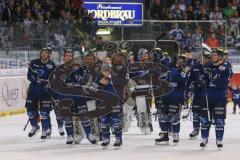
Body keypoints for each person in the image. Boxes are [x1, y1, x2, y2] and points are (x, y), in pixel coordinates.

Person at [155, 54, 190, 145]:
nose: (179, 61)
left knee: (174, 117)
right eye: (178, 59)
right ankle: (164, 135)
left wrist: (173, 73)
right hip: (165, 96)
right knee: (162, 116)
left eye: (181, 60)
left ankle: (175, 134)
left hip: (176, 96)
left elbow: (181, 81)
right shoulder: (170, 67)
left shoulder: (184, 70)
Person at [200, 49, 231, 149]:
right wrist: (202, 77)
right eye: (212, 55)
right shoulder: (207, 65)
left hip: (220, 98)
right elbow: (203, 78)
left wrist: (211, 77)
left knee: (219, 121)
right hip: (207, 97)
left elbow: (223, 83)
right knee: (205, 120)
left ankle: (219, 140)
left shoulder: (226, 67)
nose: (213, 57)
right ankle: (204, 138)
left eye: (215, 55)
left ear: (220, 57)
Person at [25, 47, 56, 139]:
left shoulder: (52, 65)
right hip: (33, 90)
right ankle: (35, 126)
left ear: (49, 54)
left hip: (45, 92)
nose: (43, 54)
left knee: (44, 113)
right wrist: (35, 79)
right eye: (42, 52)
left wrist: (46, 81)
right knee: (30, 111)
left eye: (46, 53)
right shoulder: (34, 62)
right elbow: (29, 75)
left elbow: (54, 79)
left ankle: (45, 129)